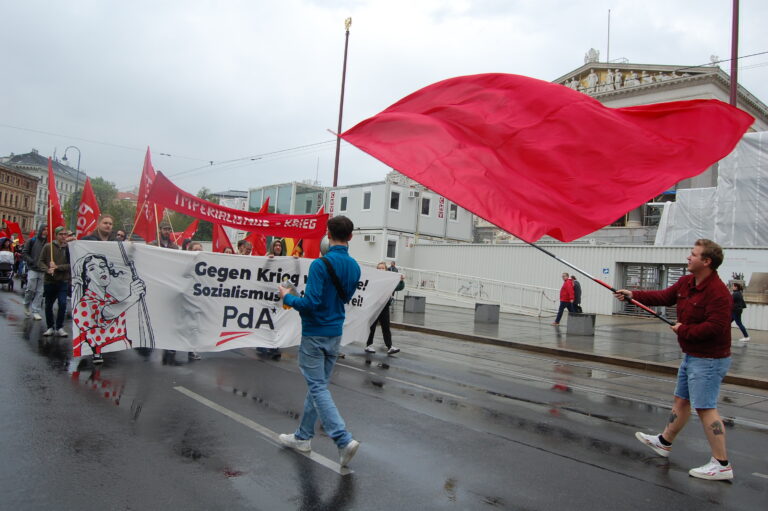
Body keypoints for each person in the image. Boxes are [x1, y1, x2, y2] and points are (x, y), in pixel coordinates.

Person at [615, 239, 734, 481]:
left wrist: (684, 330)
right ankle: (664, 441)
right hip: (692, 355)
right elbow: (665, 296)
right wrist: (633, 295)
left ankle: (721, 464)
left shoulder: (719, 293)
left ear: (706, 261)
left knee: (706, 408)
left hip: (709, 359)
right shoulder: (686, 282)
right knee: (681, 401)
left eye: (693, 254)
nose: (688, 257)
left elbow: (716, 327)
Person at [277, 215, 362, 467]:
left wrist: (288, 297)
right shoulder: (355, 266)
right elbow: (341, 298)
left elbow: (311, 304)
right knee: (318, 386)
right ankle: (303, 437)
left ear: (327, 234)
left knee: (317, 387)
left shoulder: (319, 265)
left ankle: (342, 439)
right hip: (335, 332)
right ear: (351, 237)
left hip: (315, 333)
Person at [72, 254, 146, 364]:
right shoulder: (84, 304)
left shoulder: (110, 298)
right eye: (92, 268)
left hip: (121, 359)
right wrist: (132, 297)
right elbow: (108, 313)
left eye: (103, 266)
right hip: (103, 360)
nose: (101, 271)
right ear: (86, 276)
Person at [38, 226, 71, 337]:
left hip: (63, 281)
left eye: (65, 234)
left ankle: (60, 327)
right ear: (56, 235)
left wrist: (57, 267)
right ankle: (50, 327)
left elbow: (71, 265)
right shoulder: (48, 247)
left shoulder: (69, 248)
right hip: (50, 281)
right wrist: (47, 269)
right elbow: (41, 261)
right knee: (48, 305)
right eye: (61, 234)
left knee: (62, 304)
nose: (63, 236)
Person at [365, 262, 405, 354]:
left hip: (384, 307)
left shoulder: (389, 281)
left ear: (386, 270)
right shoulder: (374, 279)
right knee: (372, 327)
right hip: (374, 307)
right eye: (379, 268)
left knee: (386, 327)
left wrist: (401, 280)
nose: (381, 270)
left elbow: (399, 287)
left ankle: (390, 346)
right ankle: (368, 345)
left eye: (382, 268)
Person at [22, 224, 47, 320]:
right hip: (33, 268)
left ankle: (36, 310)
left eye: (47, 230)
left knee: (40, 292)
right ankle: (26, 303)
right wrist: (32, 261)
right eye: (44, 229)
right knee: (30, 289)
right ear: (41, 230)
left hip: (43, 270)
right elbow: (24, 253)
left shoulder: (48, 242)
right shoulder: (31, 241)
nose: (45, 231)